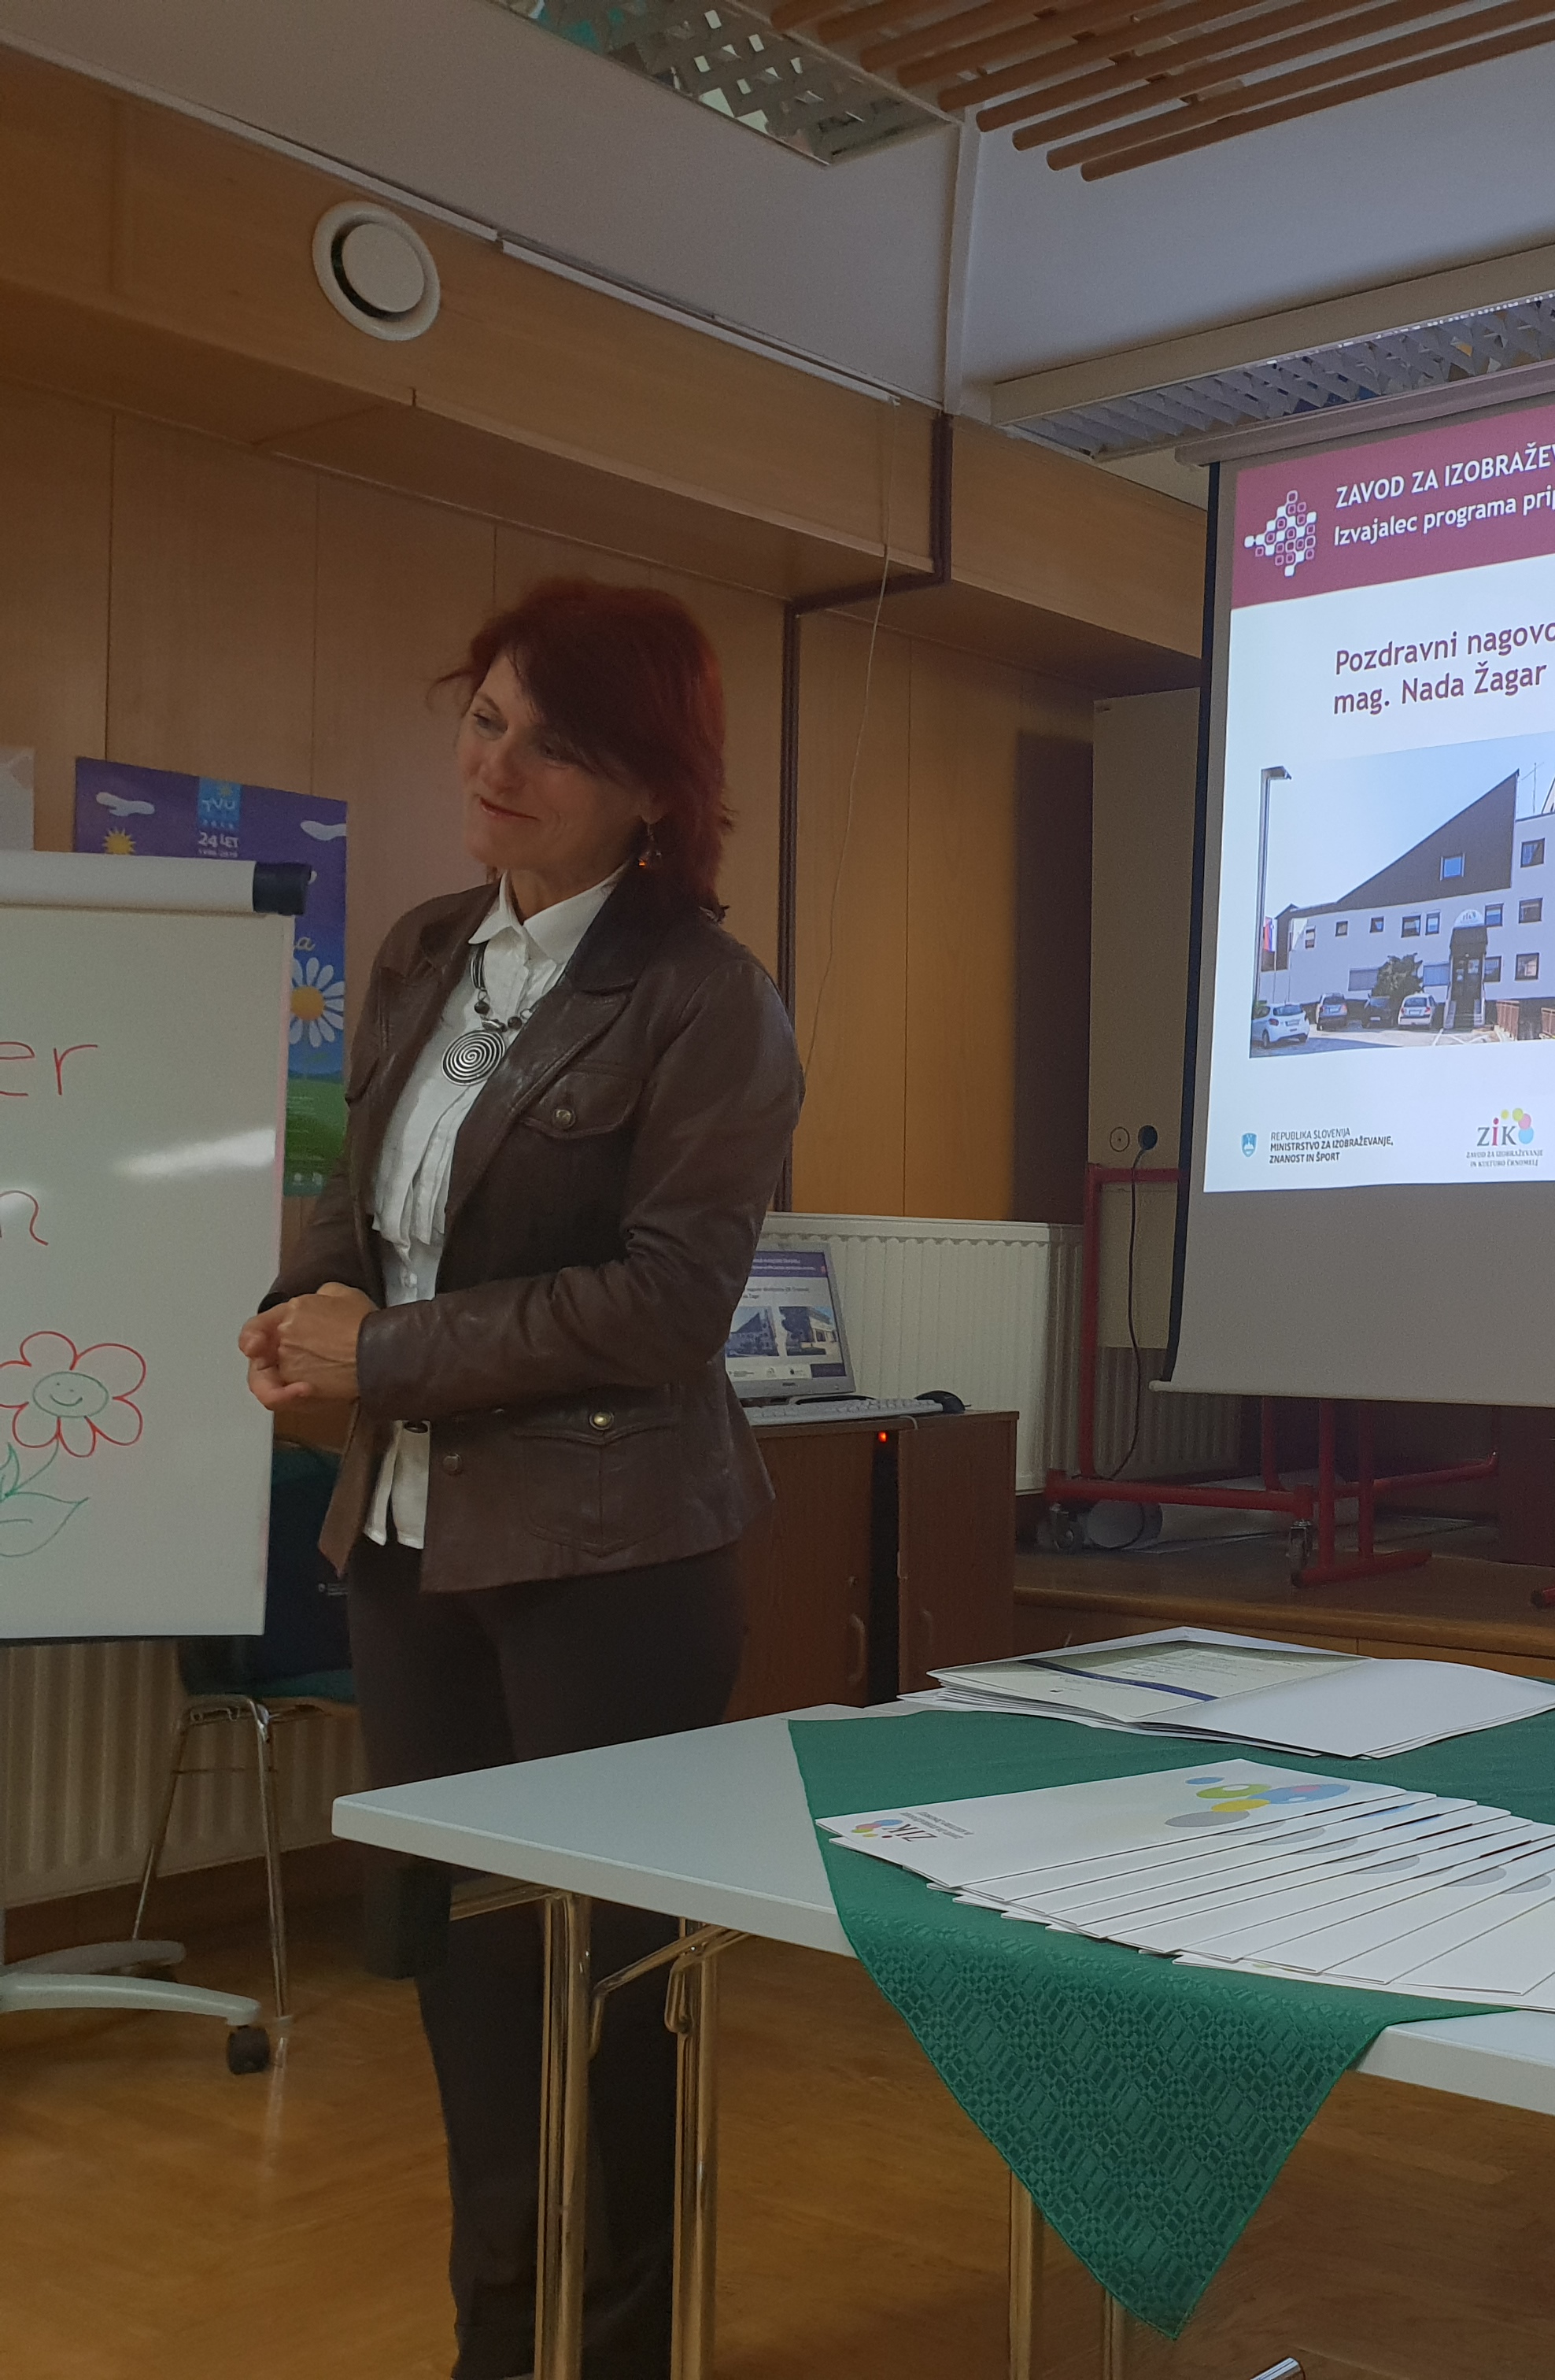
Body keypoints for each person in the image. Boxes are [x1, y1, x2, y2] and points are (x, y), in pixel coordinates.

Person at [242, 578, 800, 2380]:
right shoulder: (423, 949)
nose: (497, 767)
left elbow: (668, 1305)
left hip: (613, 1559)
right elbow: (360, 1205)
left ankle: (617, 2356)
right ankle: (502, 2346)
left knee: (607, 1988)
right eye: (486, 721)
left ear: (652, 790)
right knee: (469, 1982)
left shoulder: (705, 998)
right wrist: (302, 1316)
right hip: (410, 1547)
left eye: (554, 745)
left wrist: (388, 1356)